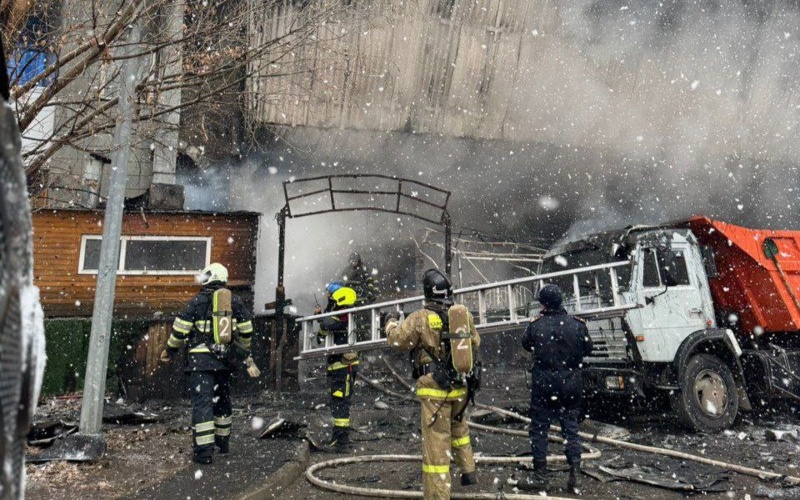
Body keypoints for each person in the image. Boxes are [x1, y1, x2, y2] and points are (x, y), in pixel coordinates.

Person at [385, 268, 481, 500]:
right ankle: (468, 472)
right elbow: (475, 342)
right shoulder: (463, 314)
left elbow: (398, 341)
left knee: (436, 448)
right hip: (460, 386)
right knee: (459, 428)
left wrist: (389, 323)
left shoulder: (420, 317)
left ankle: (438, 496)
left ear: (428, 293)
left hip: (435, 389)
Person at [160, 262, 260, 465]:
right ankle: (223, 444)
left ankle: (204, 453)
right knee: (223, 401)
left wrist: (169, 350)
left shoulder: (197, 302)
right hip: (224, 362)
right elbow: (247, 331)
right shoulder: (235, 302)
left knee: (203, 404)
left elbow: (180, 331)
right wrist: (242, 351)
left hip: (200, 364)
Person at [518, 284, 593, 493]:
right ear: (561, 301)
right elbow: (589, 348)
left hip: (544, 384)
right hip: (571, 384)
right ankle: (575, 476)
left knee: (539, 428)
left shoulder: (536, 325)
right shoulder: (577, 325)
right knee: (570, 427)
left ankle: (540, 475)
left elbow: (526, 344)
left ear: (543, 303)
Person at [316, 282, 360, 452]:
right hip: (340, 367)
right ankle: (338, 439)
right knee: (338, 403)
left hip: (343, 367)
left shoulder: (344, 316)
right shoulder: (346, 316)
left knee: (340, 403)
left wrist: (321, 322)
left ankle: (342, 443)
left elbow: (327, 326)